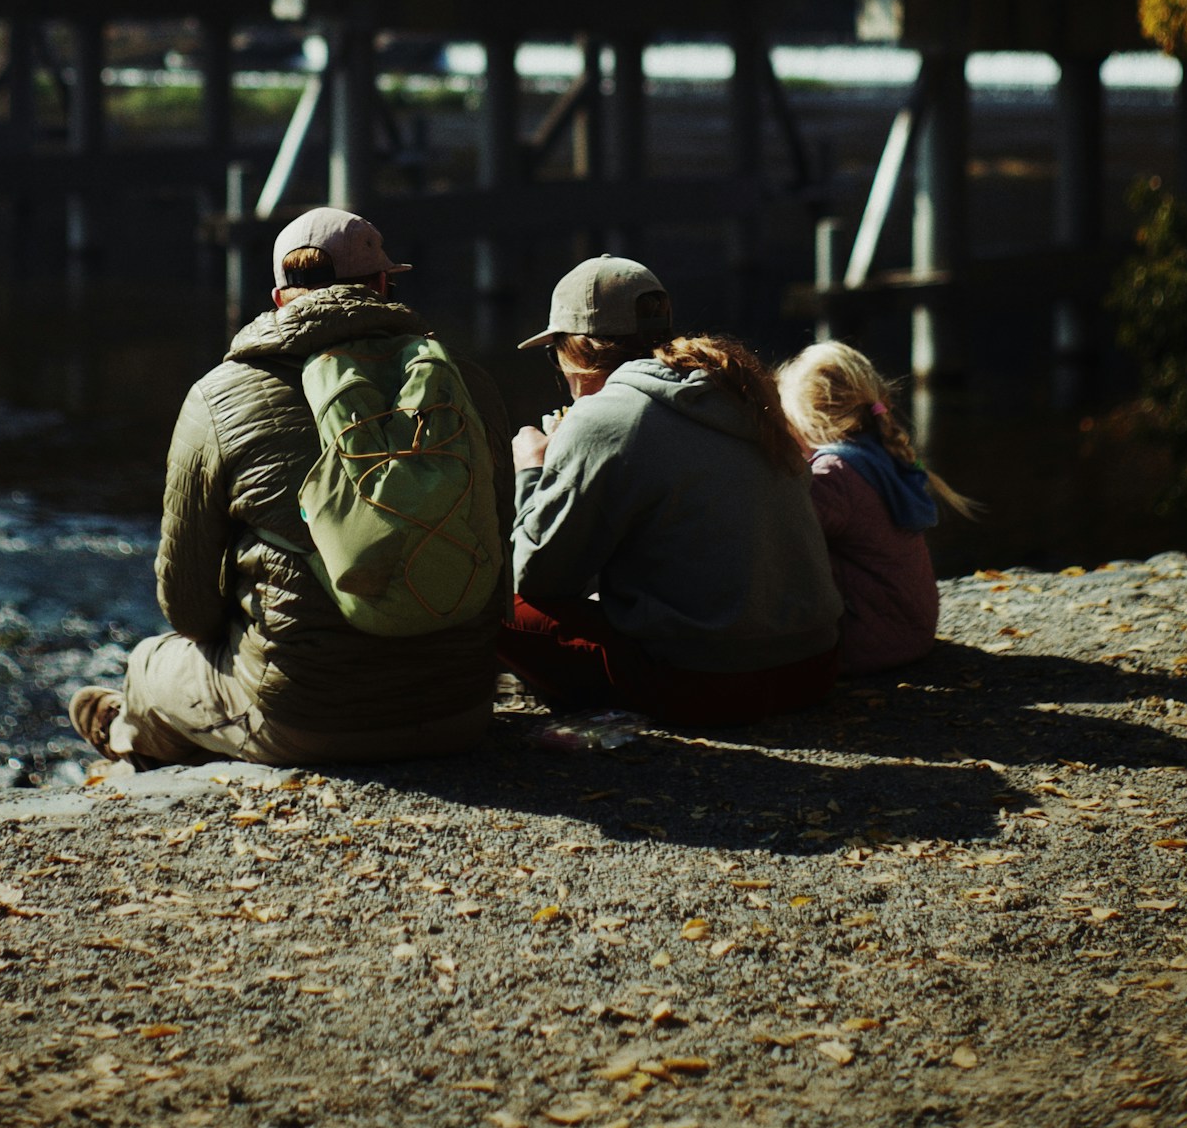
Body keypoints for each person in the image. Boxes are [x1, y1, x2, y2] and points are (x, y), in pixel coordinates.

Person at [66, 206, 513, 767]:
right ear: (381, 284)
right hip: (460, 710)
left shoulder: (220, 396)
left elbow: (189, 608)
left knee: (150, 664)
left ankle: (127, 736)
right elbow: (500, 558)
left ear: (280, 298)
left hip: (307, 722)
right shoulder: (468, 384)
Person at [499, 256, 842, 723]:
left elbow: (537, 576)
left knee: (494, 602)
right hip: (813, 668)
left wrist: (532, 470)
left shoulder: (602, 417)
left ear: (575, 350)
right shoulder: (737, 389)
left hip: (714, 685)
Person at [776, 341, 977, 675]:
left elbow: (784, 535)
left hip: (867, 642)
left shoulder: (835, 475)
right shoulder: (879, 455)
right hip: (909, 631)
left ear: (809, 420)